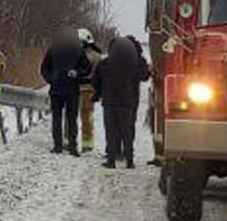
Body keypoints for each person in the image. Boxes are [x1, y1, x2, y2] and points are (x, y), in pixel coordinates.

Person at [94, 31, 150, 168]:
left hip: (110, 100)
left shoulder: (105, 63)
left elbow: (95, 80)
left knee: (112, 129)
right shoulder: (136, 61)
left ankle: (113, 157)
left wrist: (98, 93)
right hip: (129, 97)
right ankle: (129, 158)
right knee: (128, 127)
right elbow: (144, 76)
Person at [39, 26, 90, 155]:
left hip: (72, 90)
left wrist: (77, 72)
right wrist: (52, 79)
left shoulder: (78, 51)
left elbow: (87, 67)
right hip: (56, 91)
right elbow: (44, 68)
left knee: (72, 119)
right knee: (56, 119)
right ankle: (57, 146)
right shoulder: (53, 51)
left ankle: (73, 147)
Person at [76, 28, 104, 153]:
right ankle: (71, 141)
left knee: (86, 116)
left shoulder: (95, 56)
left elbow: (99, 75)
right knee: (72, 115)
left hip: (88, 90)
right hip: (76, 89)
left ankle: (87, 143)